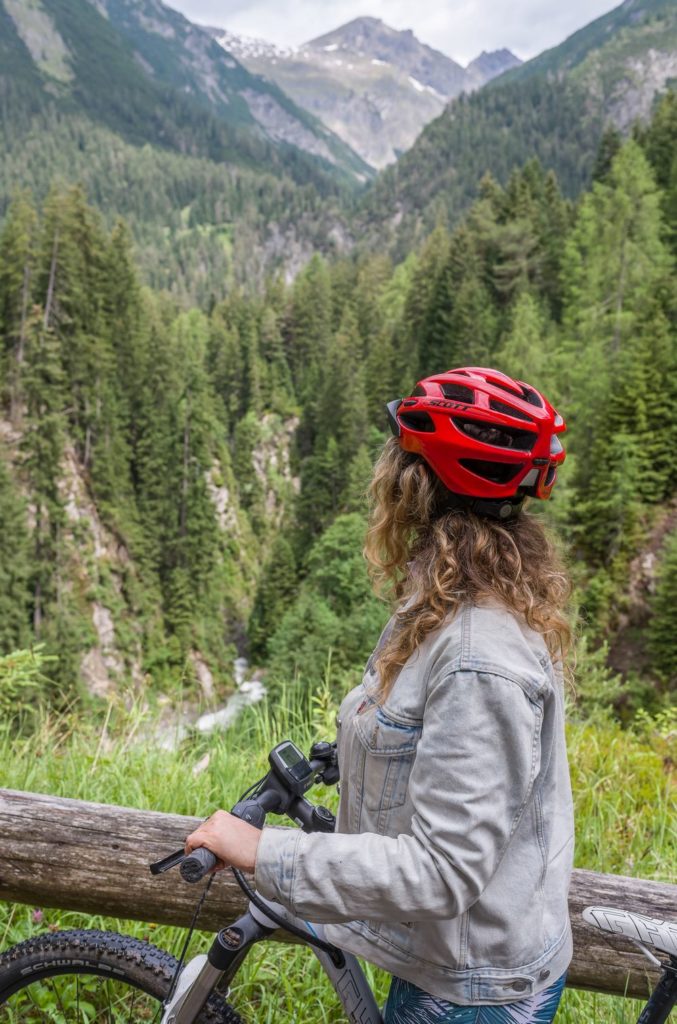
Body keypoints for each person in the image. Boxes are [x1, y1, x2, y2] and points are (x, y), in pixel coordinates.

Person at [186, 366, 575, 1023]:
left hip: (467, 994)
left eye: (393, 460)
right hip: (447, 965)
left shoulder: (478, 655)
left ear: (414, 484)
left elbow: (442, 872)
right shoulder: (450, 593)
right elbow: (440, 746)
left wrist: (263, 851)